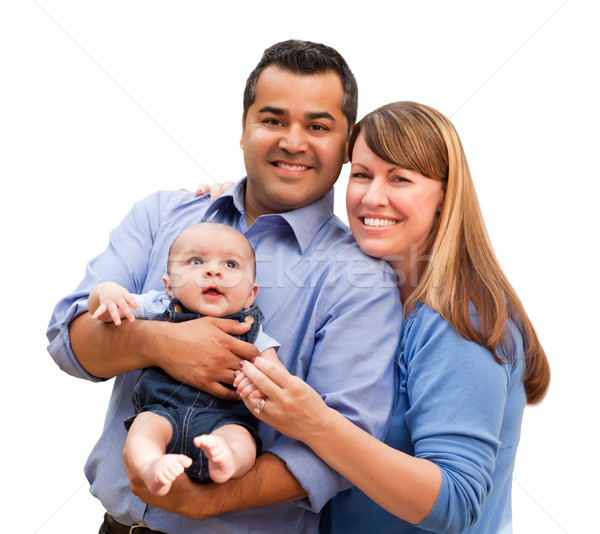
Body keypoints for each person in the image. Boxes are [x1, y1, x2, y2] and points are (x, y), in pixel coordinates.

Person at [46, 40, 402, 533]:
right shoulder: (163, 215)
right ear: (243, 128)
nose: (293, 142)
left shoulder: (363, 281)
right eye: (273, 120)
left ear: (346, 147)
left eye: (317, 126)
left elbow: (344, 447)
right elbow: (69, 342)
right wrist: (163, 342)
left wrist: (204, 501)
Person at [234, 101, 551, 533]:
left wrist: (316, 423)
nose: (372, 196)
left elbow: (455, 503)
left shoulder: (459, 319)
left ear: (445, 196)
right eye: (361, 174)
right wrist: (234, 200)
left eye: (400, 178)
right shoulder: (368, 294)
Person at [87, 222, 279, 496]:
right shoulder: (159, 306)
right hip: (161, 410)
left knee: (242, 440)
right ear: (169, 286)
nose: (213, 271)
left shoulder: (252, 329)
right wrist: (105, 293)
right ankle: (152, 466)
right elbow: (105, 312)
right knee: (142, 433)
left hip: (225, 419)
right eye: (196, 261)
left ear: (250, 295)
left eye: (231, 265)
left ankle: (227, 459)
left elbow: (275, 376)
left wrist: (263, 384)